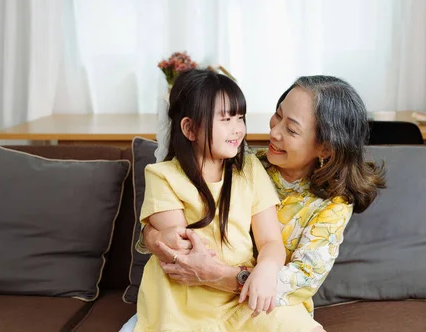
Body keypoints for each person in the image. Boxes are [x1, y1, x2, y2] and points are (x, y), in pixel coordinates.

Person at [121, 75, 386, 331]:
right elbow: (173, 225)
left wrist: (218, 272)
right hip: (187, 300)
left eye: (291, 129)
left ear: (325, 148)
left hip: (262, 303)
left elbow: (297, 280)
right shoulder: (249, 162)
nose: (274, 131)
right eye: (277, 115)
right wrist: (154, 235)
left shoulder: (332, 206)